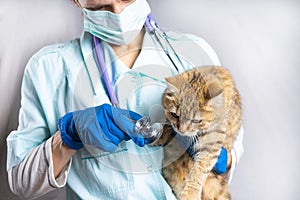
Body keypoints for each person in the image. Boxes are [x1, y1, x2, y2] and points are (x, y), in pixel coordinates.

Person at [6, 0, 244, 199]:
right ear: (76, 1)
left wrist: (225, 157)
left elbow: (232, 137)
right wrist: (68, 137)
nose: (118, 12)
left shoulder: (193, 52)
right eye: (102, 6)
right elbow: (20, 182)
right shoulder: (48, 68)